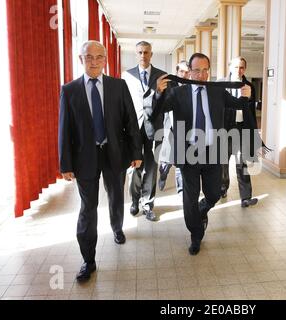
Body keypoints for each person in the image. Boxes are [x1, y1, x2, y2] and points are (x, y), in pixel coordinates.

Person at [58, 41, 142, 282]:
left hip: (115, 153)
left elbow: (131, 122)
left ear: (105, 60)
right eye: (88, 57)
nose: (94, 61)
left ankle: (117, 227)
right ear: (80, 59)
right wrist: (65, 164)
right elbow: (64, 130)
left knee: (116, 195)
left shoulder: (119, 86)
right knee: (88, 208)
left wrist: (136, 152)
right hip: (84, 157)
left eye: (98, 57)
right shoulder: (70, 90)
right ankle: (88, 259)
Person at [154, 53, 252, 255]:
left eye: (205, 69)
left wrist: (246, 96)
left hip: (213, 152)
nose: (201, 74)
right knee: (188, 199)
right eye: (197, 70)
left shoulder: (217, 91)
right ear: (189, 72)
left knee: (214, 193)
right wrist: (158, 93)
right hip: (188, 153)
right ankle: (196, 234)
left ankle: (202, 210)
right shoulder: (178, 93)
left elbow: (238, 106)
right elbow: (160, 109)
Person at [122, 41, 167, 221]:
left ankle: (148, 204)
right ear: (136, 54)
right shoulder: (127, 75)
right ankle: (134, 200)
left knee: (151, 166)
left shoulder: (161, 75)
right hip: (133, 126)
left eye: (146, 52)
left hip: (154, 127)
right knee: (134, 166)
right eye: (140, 52)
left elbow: (165, 102)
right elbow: (123, 102)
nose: (143, 55)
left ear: (151, 54)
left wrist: (159, 93)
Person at [220, 56, 259, 207]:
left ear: (245, 69)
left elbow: (251, 111)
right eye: (236, 67)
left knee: (241, 162)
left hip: (242, 128)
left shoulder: (249, 86)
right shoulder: (222, 84)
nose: (239, 70)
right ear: (230, 67)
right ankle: (223, 187)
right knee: (223, 162)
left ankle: (245, 197)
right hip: (225, 128)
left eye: (242, 67)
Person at [157, 60, 190, 193]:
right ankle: (163, 175)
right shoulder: (169, 84)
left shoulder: (190, 86)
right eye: (181, 71)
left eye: (187, 72)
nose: (184, 74)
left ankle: (181, 190)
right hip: (170, 127)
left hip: (184, 128)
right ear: (177, 71)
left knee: (180, 160)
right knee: (167, 161)